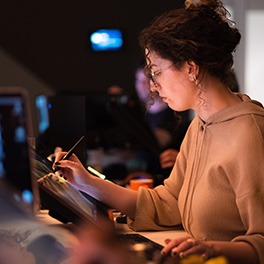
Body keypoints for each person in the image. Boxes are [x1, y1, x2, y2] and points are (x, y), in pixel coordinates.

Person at [53, 0, 264, 263]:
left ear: (190, 68)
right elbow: (167, 202)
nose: (153, 87)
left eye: (157, 73)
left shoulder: (249, 134)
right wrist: (87, 183)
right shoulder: (200, 126)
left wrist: (213, 249)